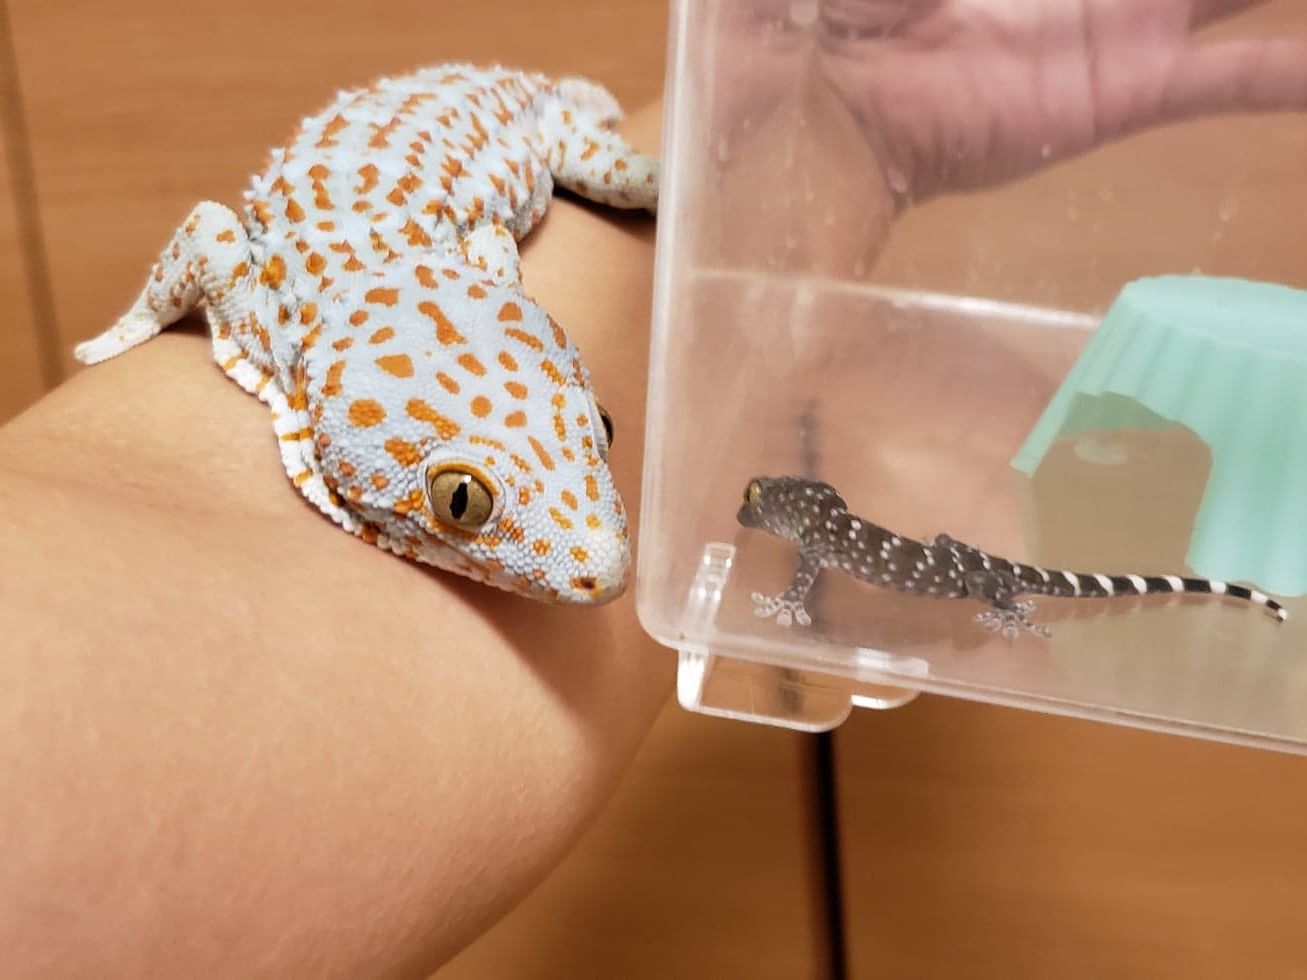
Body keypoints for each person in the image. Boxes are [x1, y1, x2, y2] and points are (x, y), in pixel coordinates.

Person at [1, 2, 1303, 973]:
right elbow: (212, 240)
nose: (597, 563)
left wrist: (780, 162)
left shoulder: (445, 283)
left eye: (595, 435)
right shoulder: (279, 296)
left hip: (519, 121)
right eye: (466, 503)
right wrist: (140, 323)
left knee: (624, 188)